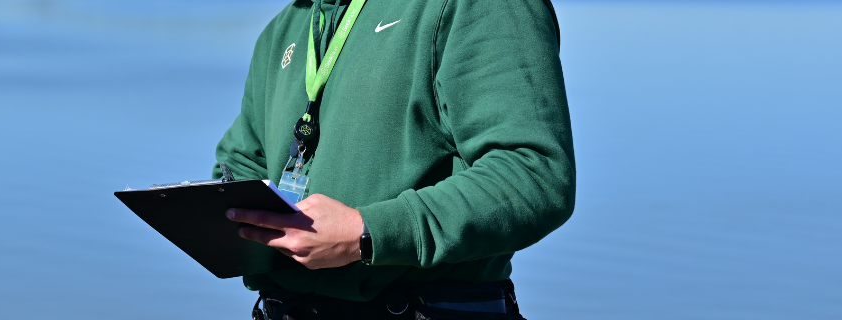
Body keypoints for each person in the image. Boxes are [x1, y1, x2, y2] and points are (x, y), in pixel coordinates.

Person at [212, 0, 573, 318]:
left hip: (424, 307)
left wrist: (367, 232)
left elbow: (534, 174)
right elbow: (241, 165)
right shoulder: (286, 27)